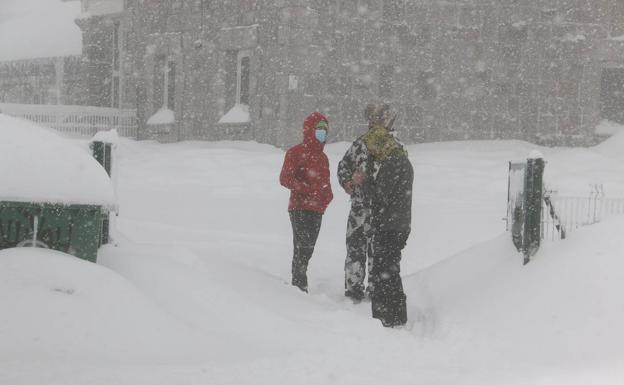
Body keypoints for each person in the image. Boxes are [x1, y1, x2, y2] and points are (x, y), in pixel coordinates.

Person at [337, 103, 392, 302]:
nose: (373, 122)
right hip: (359, 209)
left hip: (381, 210)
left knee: (377, 252)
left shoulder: (392, 146)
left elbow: (397, 178)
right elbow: (343, 166)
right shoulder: (359, 144)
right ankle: (353, 289)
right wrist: (349, 182)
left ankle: (376, 288)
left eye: (377, 118)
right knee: (355, 250)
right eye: (371, 119)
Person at [363, 109, 413, 328]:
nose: (373, 153)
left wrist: (365, 182)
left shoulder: (393, 162)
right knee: (389, 269)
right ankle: (394, 314)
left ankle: (388, 315)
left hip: (390, 225)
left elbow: (380, 195)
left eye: (374, 148)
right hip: (398, 224)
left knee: (385, 271)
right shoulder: (402, 160)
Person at [279, 112, 333, 292]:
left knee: (309, 248)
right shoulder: (295, 152)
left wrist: (326, 197)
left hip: (317, 209)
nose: (322, 133)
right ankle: (299, 283)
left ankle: (299, 281)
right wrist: (307, 190)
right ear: (310, 130)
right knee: (302, 246)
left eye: (325, 130)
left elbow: (326, 183)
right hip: (300, 207)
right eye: (319, 129)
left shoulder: (323, 158)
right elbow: (285, 178)